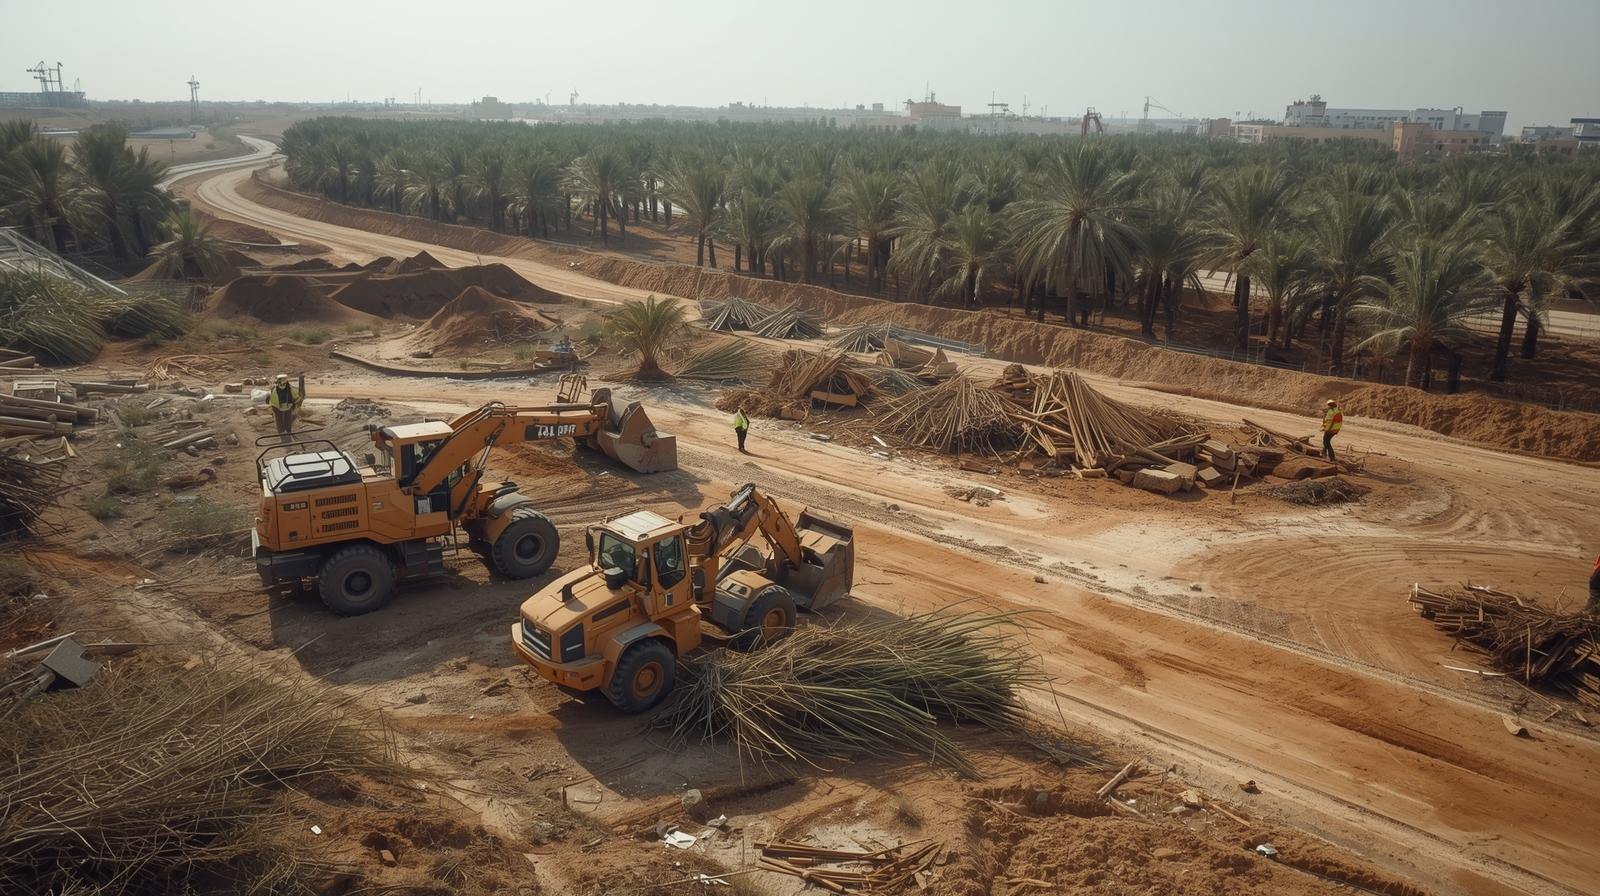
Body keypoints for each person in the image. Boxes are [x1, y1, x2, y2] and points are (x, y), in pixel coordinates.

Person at [268, 373, 302, 443]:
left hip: (288, 406)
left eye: (284, 381)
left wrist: (295, 404)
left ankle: (288, 433)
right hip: (277, 406)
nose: (283, 383)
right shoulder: (274, 389)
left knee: (287, 420)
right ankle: (282, 435)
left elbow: (296, 398)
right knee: (279, 421)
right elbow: (272, 398)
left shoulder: (291, 389)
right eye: (281, 381)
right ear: (278, 381)